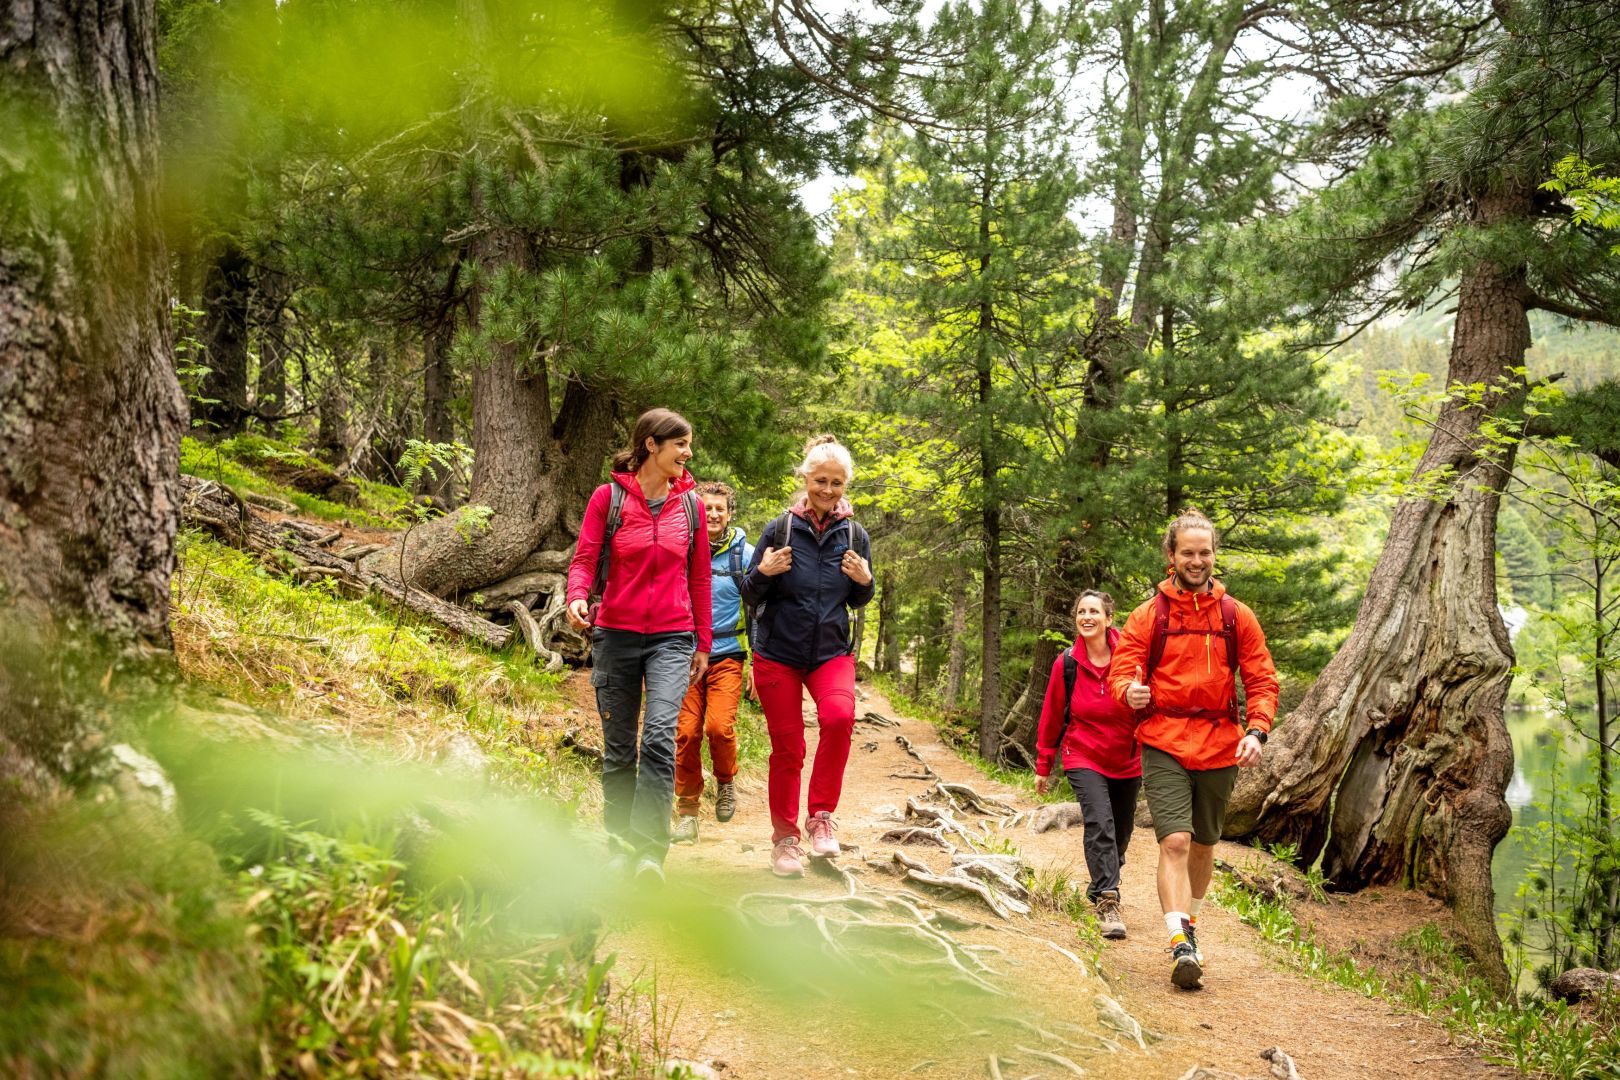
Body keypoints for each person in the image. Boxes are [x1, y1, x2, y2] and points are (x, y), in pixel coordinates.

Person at [1108, 509, 1278, 990]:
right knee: (1175, 841)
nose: (1197, 560)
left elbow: (1262, 679)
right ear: (1171, 556)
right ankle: (1179, 941)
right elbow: (1122, 672)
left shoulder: (1235, 615)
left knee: (1204, 844)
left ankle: (1192, 928)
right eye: (1188, 552)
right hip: (1163, 739)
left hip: (1222, 743)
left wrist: (1257, 730)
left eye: (1205, 553)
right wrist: (1129, 693)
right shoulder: (1149, 615)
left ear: (1213, 555)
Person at [566, 409, 711, 885]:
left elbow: (700, 578)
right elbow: (585, 558)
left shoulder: (689, 507)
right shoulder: (608, 499)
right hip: (616, 636)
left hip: (673, 636)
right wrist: (577, 597)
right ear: (651, 445)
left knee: (658, 738)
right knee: (619, 748)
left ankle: (650, 853)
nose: (688, 455)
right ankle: (618, 845)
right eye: (681, 445)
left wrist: (703, 644)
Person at [740, 435, 874, 878]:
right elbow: (749, 590)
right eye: (821, 480)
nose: (829, 490)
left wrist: (865, 580)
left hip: (831, 652)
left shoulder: (854, 533)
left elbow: (859, 600)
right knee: (789, 747)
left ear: (845, 485)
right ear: (805, 479)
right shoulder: (780, 529)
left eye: (837, 483)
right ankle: (785, 841)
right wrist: (763, 571)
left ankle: (821, 817)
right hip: (777, 652)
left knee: (839, 718)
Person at [1033, 589, 1141, 940]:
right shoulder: (1066, 663)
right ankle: (1108, 901)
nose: (1087, 617)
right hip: (1083, 755)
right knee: (1099, 822)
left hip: (1128, 758)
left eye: (1095, 611)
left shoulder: (1132, 657)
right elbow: (1051, 716)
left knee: (1121, 833)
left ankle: (1101, 881)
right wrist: (1043, 764)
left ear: (1109, 618)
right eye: (1081, 611)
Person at [671, 481, 755, 843]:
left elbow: (760, 609)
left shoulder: (745, 555)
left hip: (727, 656)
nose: (714, 513)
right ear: (696, 514)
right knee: (686, 734)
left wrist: (758, 662)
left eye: (720, 508)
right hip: (683, 657)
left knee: (718, 728)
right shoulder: (682, 549)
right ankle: (687, 813)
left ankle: (725, 782)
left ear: (730, 513)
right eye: (707, 508)